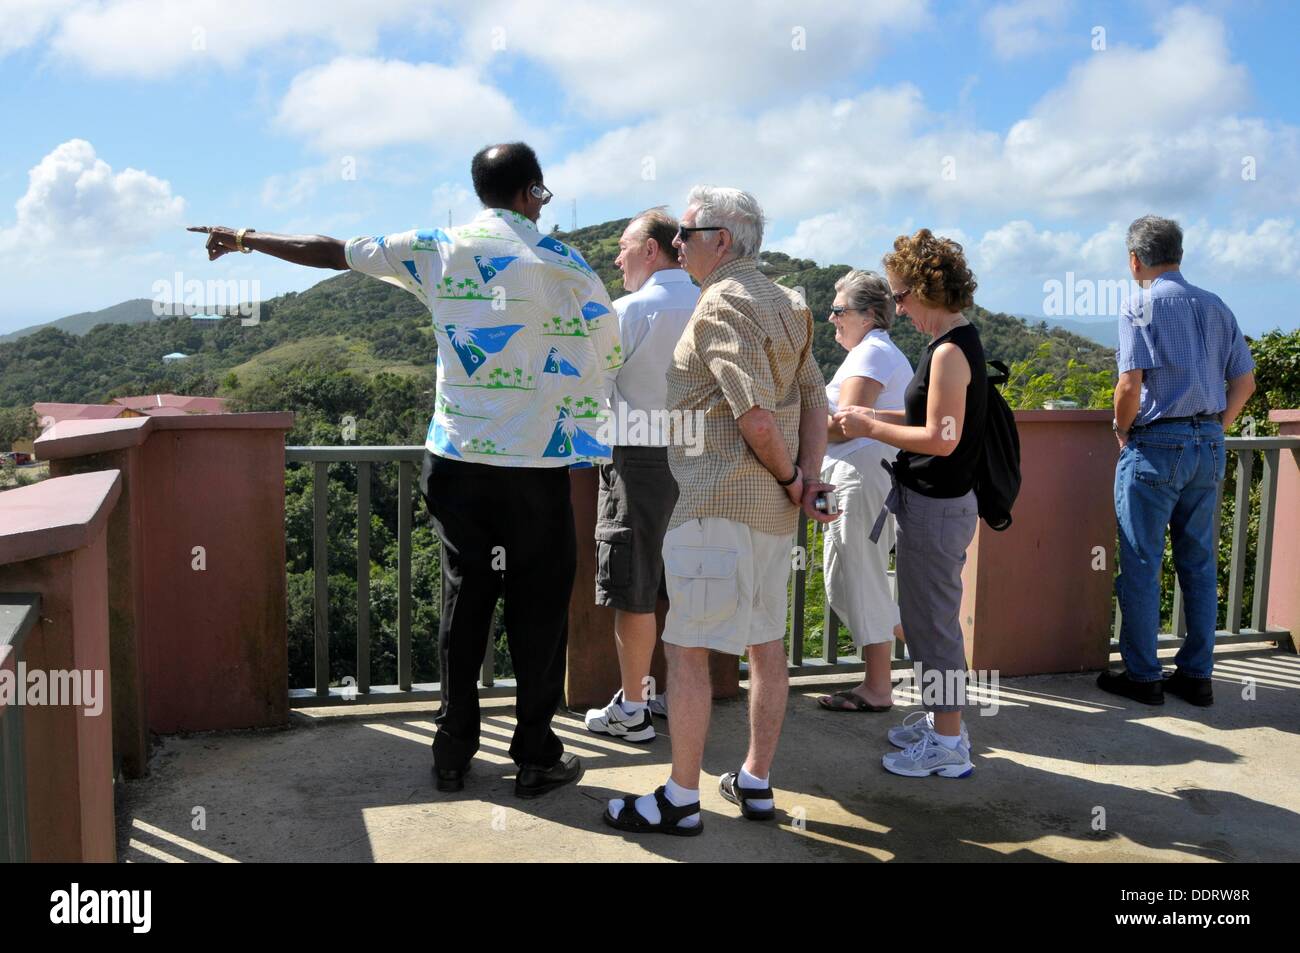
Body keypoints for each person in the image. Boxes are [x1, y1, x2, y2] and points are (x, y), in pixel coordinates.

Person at [189, 142, 620, 798]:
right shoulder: (565, 264)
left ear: (481, 191)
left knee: (464, 600)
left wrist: (245, 238)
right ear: (532, 192)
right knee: (538, 613)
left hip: (456, 462)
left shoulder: (436, 246)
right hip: (536, 463)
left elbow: (331, 250)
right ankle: (535, 755)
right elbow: (607, 349)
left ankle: (451, 753)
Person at [603, 186, 833, 836]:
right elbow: (815, 399)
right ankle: (756, 779)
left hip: (714, 506)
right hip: (771, 517)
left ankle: (680, 797)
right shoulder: (789, 303)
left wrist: (793, 474)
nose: (676, 244)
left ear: (720, 240)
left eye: (686, 234)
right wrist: (803, 481)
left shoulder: (720, 304)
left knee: (688, 652)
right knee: (766, 644)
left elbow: (755, 415)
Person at [835, 229, 986, 779]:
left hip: (938, 505)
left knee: (933, 626)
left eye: (901, 296)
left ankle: (948, 745)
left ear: (927, 287)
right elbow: (934, 422)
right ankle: (943, 723)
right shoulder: (952, 343)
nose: (897, 307)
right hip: (936, 503)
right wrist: (880, 422)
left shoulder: (948, 352)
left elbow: (942, 439)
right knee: (926, 623)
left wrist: (871, 423)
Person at [1099, 215, 1255, 707]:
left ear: (1134, 259)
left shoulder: (1138, 305)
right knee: (1200, 563)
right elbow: (1244, 382)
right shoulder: (1216, 306)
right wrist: (1214, 428)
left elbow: (1129, 385)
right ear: (1179, 254)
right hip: (1208, 444)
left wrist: (1123, 431)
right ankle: (1196, 676)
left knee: (1142, 563)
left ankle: (1144, 677)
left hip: (1155, 446)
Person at [585, 208, 699, 742]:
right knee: (692, 586)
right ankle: (684, 696)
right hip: (705, 462)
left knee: (635, 587)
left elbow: (593, 394)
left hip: (638, 459)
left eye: (625, 246)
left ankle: (634, 708)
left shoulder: (627, 312)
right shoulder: (709, 308)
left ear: (652, 250)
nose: (617, 256)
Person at [813, 270, 912, 714]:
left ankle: (878, 687)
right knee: (841, 581)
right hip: (851, 476)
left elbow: (842, 425)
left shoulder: (871, 354)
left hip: (861, 476)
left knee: (861, 575)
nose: (831, 317)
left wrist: (790, 426)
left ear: (870, 316)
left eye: (839, 310)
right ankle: (918, 635)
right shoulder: (867, 353)